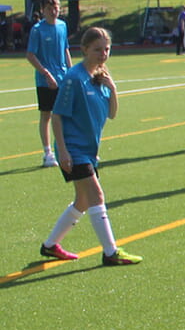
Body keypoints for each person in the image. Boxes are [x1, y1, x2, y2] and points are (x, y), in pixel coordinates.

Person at [38, 27, 143, 266]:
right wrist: (62, 151)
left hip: (89, 151)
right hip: (74, 150)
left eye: (106, 49)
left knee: (83, 201)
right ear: (84, 49)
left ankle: (50, 245)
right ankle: (110, 252)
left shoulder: (100, 77)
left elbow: (112, 114)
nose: (103, 54)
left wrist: (113, 88)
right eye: (97, 49)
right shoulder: (74, 78)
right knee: (96, 195)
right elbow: (57, 116)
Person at [25, 0, 71, 168]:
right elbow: (30, 55)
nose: (54, 11)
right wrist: (46, 74)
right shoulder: (37, 30)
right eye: (50, 8)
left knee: (65, 114)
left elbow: (65, 49)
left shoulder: (62, 26)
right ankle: (47, 152)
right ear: (43, 10)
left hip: (63, 78)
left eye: (57, 7)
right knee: (47, 115)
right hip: (46, 81)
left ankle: (66, 148)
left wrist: (71, 71)